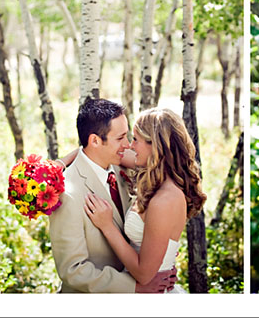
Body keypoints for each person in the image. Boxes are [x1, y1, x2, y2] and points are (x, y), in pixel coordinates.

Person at [49, 98, 177, 293]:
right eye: (120, 138)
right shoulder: (68, 194)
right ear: (95, 141)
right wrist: (132, 287)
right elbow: (72, 271)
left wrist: (160, 266)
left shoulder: (120, 168)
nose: (127, 145)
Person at [82, 107, 207, 294]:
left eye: (135, 140)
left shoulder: (165, 199)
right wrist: (59, 165)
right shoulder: (157, 172)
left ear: (155, 146)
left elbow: (143, 274)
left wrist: (107, 226)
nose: (130, 146)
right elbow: (96, 150)